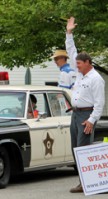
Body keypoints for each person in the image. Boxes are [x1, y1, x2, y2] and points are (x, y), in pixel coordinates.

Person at [66, 17, 105, 193]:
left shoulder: (96, 79)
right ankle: (84, 181)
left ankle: (86, 183)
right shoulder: (80, 72)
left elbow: (99, 103)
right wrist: (69, 33)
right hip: (75, 114)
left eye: (80, 64)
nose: (77, 67)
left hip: (86, 116)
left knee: (84, 149)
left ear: (88, 63)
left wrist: (91, 120)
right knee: (76, 148)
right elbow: (71, 50)